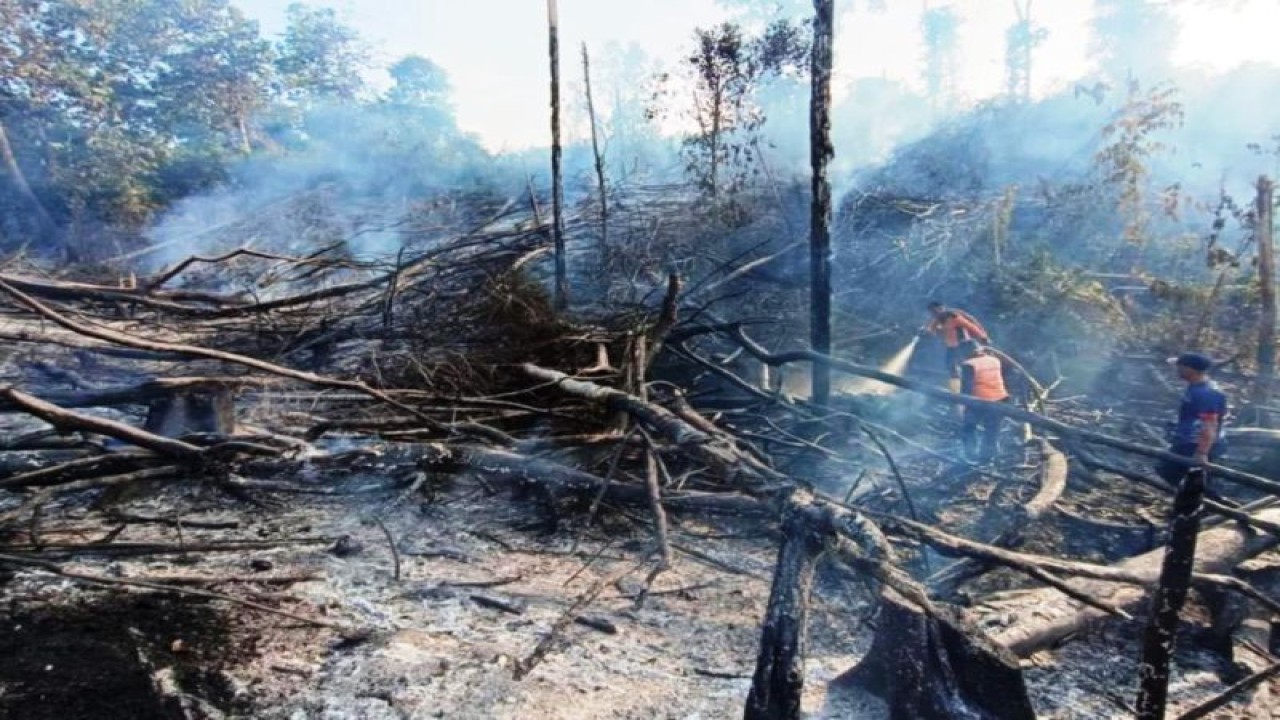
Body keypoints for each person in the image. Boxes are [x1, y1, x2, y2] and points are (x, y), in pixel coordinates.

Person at [1155, 352, 1228, 484]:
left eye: (1179, 367)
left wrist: (1202, 452)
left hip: (1196, 444)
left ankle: (1208, 502)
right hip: (1187, 441)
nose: (1176, 370)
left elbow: (1210, 425)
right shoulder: (1196, 386)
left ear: (1189, 369)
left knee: (1194, 482)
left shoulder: (1207, 393)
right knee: (1167, 471)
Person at [958, 340, 1009, 463]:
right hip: (1000, 399)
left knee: (968, 427)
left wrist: (963, 405)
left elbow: (966, 388)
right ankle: (988, 457)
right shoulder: (995, 360)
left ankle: (970, 455)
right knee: (992, 430)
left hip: (979, 401)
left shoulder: (968, 365)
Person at [922, 301, 990, 392]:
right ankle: (956, 389)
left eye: (935, 311)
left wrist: (983, 337)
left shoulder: (953, 317)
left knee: (966, 368)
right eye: (932, 312)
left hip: (964, 346)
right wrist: (926, 332)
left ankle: (972, 388)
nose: (934, 314)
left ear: (941, 308)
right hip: (952, 347)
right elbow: (931, 329)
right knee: (950, 367)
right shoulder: (937, 319)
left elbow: (971, 327)